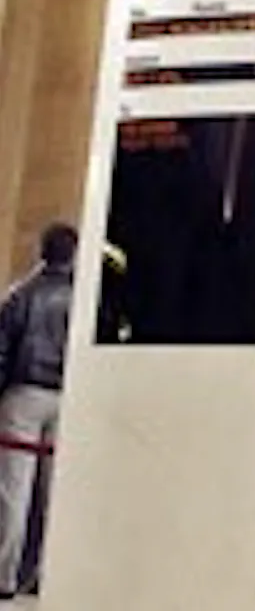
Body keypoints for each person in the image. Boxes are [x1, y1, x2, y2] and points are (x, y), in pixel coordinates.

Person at [0, 223, 75, 600]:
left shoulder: (21, 294)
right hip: (67, 399)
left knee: (14, 493)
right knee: (56, 494)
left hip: (23, 395)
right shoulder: (84, 300)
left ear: (41, 252)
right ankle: (45, 575)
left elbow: (1, 351)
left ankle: (4, 577)